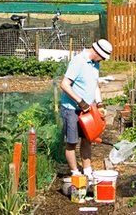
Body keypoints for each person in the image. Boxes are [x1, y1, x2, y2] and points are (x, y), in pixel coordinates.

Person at [59, 39, 112, 178]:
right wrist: (80, 101)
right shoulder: (78, 61)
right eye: (103, 57)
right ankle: (75, 173)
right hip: (72, 108)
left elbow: (94, 85)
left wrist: (99, 104)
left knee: (88, 138)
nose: (103, 60)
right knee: (72, 141)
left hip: (87, 110)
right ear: (97, 52)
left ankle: (87, 170)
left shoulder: (95, 64)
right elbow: (64, 84)